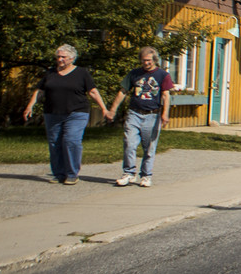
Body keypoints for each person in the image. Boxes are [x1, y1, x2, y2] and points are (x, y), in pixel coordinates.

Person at [23, 44, 109, 184]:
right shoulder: (50, 73)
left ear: (72, 58)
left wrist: (104, 109)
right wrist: (30, 106)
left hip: (76, 113)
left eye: (63, 57)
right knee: (55, 143)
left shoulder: (81, 73)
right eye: (58, 57)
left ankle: (71, 173)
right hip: (52, 113)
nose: (60, 59)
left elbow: (92, 91)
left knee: (71, 140)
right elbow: (40, 91)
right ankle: (58, 174)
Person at [106, 46, 172, 187]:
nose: (146, 63)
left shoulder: (162, 75)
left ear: (154, 59)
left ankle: (146, 175)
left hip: (152, 115)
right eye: (143, 60)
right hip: (134, 113)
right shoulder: (134, 74)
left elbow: (166, 95)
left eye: (148, 60)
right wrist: (112, 110)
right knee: (129, 143)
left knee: (149, 147)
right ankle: (129, 173)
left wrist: (165, 114)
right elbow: (123, 91)